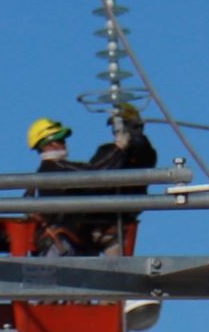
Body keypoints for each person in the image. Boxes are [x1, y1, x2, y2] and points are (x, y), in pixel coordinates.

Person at [23, 106, 156, 255]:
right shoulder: (57, 169)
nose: (64, 143)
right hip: (69, 241)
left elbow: (97, 171)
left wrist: (125, 147)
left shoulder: (52, 170)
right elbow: (94, 175)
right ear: (48, 143)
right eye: (60, 139)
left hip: (86, 237)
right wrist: (118, 149)